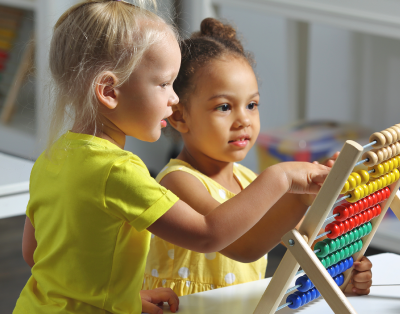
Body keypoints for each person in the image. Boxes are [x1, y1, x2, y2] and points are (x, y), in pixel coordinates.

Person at [9, 1, 330, 314]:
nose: (174, 99)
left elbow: (35, 253)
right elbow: (208, 234)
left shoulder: (53, 157)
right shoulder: (119, 171)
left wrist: (122, 296)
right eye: (164, 84)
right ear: (110, 91)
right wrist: (279, 177)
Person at [143, 18, 373, 298]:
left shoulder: (249, 182)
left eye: (252, 105)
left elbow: (310, 246)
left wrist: (343, 272)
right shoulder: (177, 182)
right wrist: (286, 182)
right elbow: (244, 245)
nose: (244, 120)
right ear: (179, 116)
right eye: (224, 107)